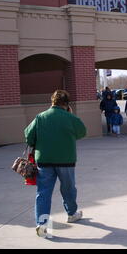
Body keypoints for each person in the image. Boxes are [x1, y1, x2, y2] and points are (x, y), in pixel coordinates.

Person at [24, 90, 86, 238]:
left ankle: (42, 224)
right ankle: (71, 213)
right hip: (66, 161)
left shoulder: (40, 117)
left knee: (43, 192)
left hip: (44, 161)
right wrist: (70, 116)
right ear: (67, 104)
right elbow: (82, 132)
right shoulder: (70, 117)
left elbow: (28, 135)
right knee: (68, 189)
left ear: (52, 101)